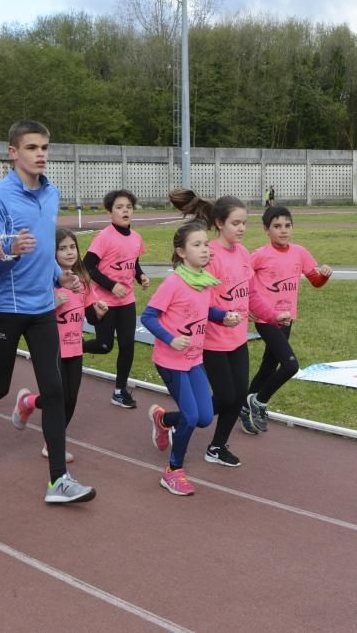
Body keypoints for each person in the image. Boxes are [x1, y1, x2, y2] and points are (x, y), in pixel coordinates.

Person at [0, 120, 96, 505]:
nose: (40, 154)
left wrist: (60, 277)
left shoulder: (52, 194)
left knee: (54, 389)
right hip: (5, 307)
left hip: (42, 307)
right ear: (12, 152)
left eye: (45, 148)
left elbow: (45, 249)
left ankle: (58, 481)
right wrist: (9, 247)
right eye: (32, 147)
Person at [169, 189, 289, 465]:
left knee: (238, 397)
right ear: (220, 223)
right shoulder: (209, 255)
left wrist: (272, 316)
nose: (242, 228)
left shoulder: (244, 253)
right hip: (212, 340)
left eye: (245, 223)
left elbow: (251, 293)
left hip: (237, 339)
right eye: (236, 223)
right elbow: (198, 301)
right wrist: (221, 316)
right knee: (224, 398)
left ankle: (217, 447)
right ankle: (169, 420)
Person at [142, 220, 233, 495]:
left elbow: (206, 311)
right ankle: (173, 470)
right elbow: (148, 316)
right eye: (197, 245)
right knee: (192, 417)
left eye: (206, 244)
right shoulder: (174, 283)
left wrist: (224, 317)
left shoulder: (204, 282)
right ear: (182, 252)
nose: (205, 249)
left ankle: (164, 420)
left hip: (194, 359)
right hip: (170, 361)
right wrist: (170, 338)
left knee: (205, 416)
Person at [12, 227, 109, 463]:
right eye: (62, 248)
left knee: (71, 399)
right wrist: (53, 302)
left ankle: (29, 403)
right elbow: (32, 313)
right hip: (52, 349)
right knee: (57, 398)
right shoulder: (47, 280)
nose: (69, 252)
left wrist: (98, 312)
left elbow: (89, 317)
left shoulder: (82, 281)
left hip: (75, 348)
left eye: (72, 247)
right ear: (51, 253)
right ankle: (54, 443)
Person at [244, 206, 332, 433]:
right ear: (266, 229)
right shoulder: (259, 255)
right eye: (277, 226)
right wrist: (247, 306)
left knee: (268, 367)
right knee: (291, 365)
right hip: (266, 320)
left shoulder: (300, 252)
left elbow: (315, 282)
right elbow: (240, 280)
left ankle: (244, 407)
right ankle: (259, 401)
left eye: (287, 225)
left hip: (287, 319)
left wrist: (324, 276)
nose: (283, 231)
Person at [82, 189, 150, 408]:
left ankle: (120, 391)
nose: (125, 211)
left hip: (127, 302)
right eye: (119, 207)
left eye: (128, 207)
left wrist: (141, 276)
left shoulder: (136, 238)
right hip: (104, 302)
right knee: (104, 346)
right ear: (110, 212)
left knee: (128, 346)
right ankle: (75, 347)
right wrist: (111, 285)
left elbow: (133, 262)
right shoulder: (104, 237)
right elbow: (87, 267)